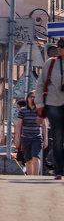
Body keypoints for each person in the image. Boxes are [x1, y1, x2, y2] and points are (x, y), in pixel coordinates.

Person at [36, 41, 64, 180]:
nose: (60, 49)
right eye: (59, 46)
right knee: (58, 138)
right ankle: (59, 170)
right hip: (53, 103)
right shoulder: (51, 63)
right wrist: (39, 104)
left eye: (62, 46)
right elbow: (40, 84)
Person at [15, 97, 42, 176]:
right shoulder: (23, 111)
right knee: (28, 160)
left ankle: (36, 177)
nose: (18, 109)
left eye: (18, 107)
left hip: (37, 136)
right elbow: (19, 125)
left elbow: (44, 124)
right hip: (25, 138)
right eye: (31, 97)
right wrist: (16, 138)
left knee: (35, 156)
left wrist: (45, 138)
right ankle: (29, 177)